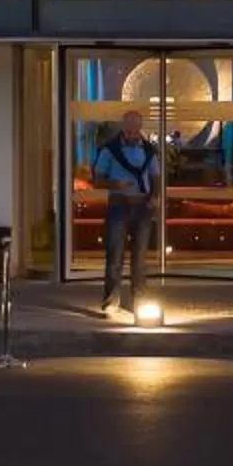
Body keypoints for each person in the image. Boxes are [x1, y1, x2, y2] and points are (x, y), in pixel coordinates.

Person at [92, 108, 158, 315]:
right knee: (115, 256)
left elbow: (155, 176)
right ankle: (111, 301)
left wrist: (154, 196)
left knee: (140, 259)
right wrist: (115, 184)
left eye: (135, 129)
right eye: (128, 128)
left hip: (142, 206)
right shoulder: (110, 150)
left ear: (140, 127)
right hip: (119, 205)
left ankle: (140, 300)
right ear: (123, 126)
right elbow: (97, 180)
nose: (131, 133)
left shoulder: (149, 150)